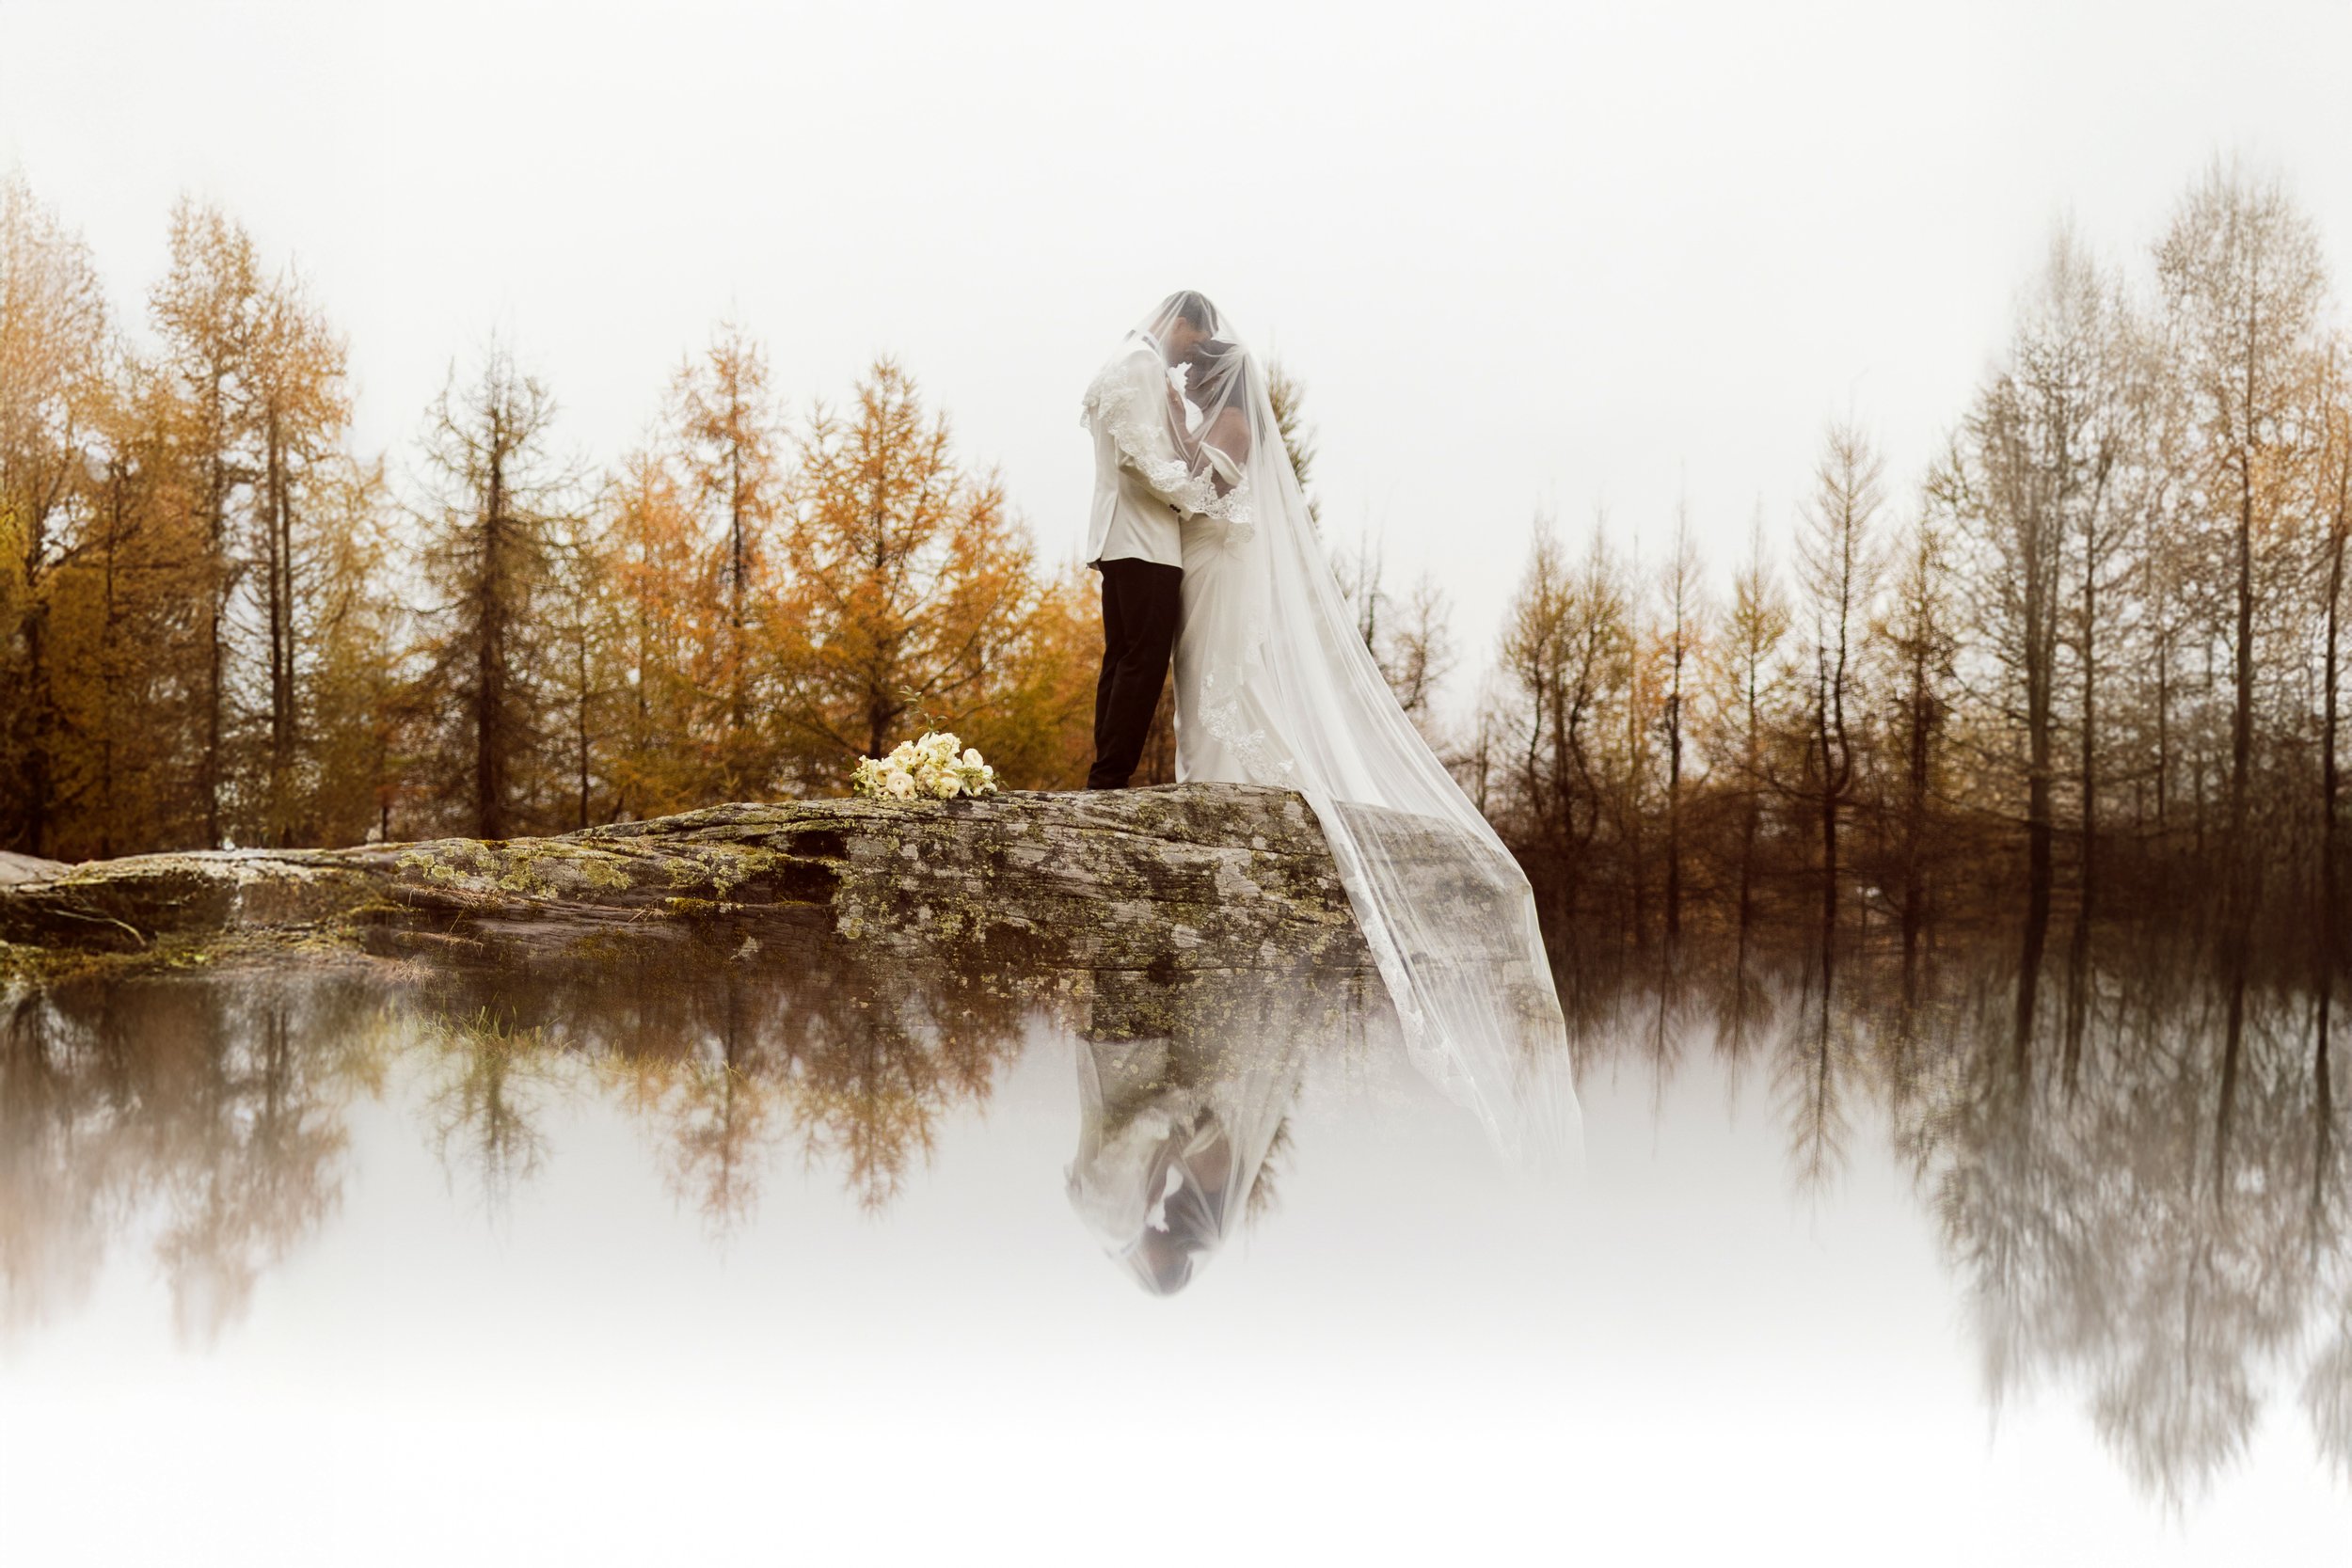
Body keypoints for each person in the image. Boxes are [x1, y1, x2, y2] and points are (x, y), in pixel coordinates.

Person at [1076, 292, 1579, 1159]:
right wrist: (1174, 434)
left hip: (1214, 566)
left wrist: (1181, 444)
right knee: (1194, 681)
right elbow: (1189, 469)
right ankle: (1212, 777)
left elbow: (1216, 496)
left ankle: (1237, 782)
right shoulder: (1187, 404)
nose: (1190, 387)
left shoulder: (1235, 424)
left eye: (1199, 374)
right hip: (1190, 564)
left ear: (1217, 363)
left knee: (1221, 681)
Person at [1078, 290, 1219, 790]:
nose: (1188, 358)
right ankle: (1110, 779)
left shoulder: (1124, 358)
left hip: (1119, 535)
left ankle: (1106, 775)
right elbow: (1133, 458)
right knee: (1141, 659)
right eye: (1194, 342)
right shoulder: (1141, 363)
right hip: (1145, 537)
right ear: (1180, 322)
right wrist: (1192, 499)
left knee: (1122, 658)